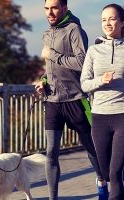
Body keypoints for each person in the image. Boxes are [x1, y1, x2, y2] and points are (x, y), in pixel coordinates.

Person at [35, 0, 108, 199]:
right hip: (52, 101)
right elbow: (51, 69)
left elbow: (83, 63)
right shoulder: (47, 34)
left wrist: (53, 55)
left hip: (76, 99)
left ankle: (102, 180)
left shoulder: (74, 30)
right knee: (51, 153)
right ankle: (53, 198)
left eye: (54, 8)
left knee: (92, 148)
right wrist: (43, 80)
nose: (50, 12)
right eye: (47, 8)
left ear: (65, 8)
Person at [80, 3, 124, 200]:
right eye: (104, 19)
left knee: (115, 172)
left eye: (112, 18)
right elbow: (84, 85)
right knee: (105, 172)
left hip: (122, 115)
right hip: (99, 117)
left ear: (122, 22)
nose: (107, 23)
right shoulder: (93, 51)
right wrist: (101, 80)